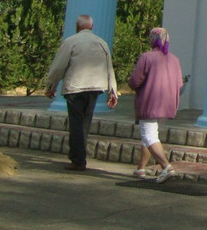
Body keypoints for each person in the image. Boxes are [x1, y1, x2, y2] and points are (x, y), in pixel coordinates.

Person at [45, 14, 118, 171]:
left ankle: (78, 160)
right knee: (85, 123)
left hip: (75, 88)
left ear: (77, 27)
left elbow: (58, 67)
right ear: (91, 27)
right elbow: (109, 68)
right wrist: (113, 92)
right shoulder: (101, 43)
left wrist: (51, 86)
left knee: (76, 123)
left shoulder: (71, 42)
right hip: (95, 88)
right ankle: (80, 156)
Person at [127, 27, 183, 183]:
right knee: (150, 135)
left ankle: (166, 167)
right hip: (167, 105)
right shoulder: (174, 59)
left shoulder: (146, 57)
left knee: (149, 135)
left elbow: (135, 81)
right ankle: (141, 168)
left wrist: (129, 83)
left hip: (150, 103)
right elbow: (179, 83)